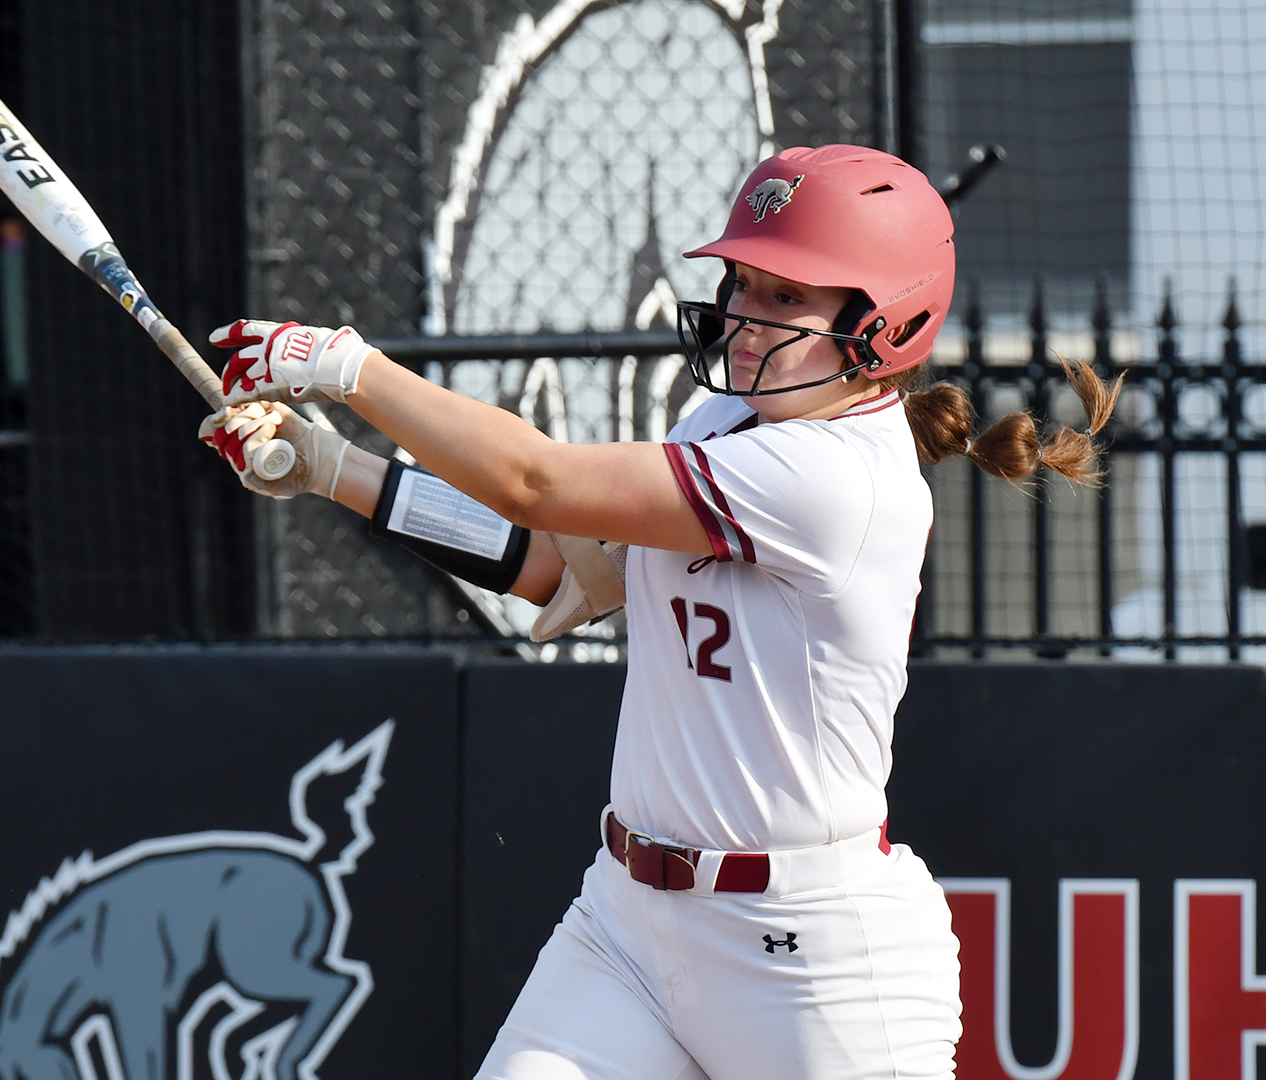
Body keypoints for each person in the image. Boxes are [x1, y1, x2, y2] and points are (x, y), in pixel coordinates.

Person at [199, 144, 1120, 1080]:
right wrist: (327, 468)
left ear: (885, 323)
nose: (744, 319)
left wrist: (347, 366)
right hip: (628, 927)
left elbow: (535, 481)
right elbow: (554, 565)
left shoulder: (836, 476)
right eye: (743, 285)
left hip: (810, 962)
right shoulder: (722, 425)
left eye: (784, 297)